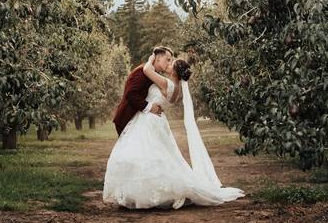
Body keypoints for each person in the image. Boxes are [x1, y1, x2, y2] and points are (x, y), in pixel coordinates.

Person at [102, 47, 245, 210]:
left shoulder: (164, 82)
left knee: (145, 155)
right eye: (168, 60)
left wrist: (152, 58)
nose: (169, 64)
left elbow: (147, 69)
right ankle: (142, 194)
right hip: (156, 121)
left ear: (175, 72)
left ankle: (143, 195)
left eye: (171, 63)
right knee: (155, 156)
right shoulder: (173, 87)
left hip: (149, 121)